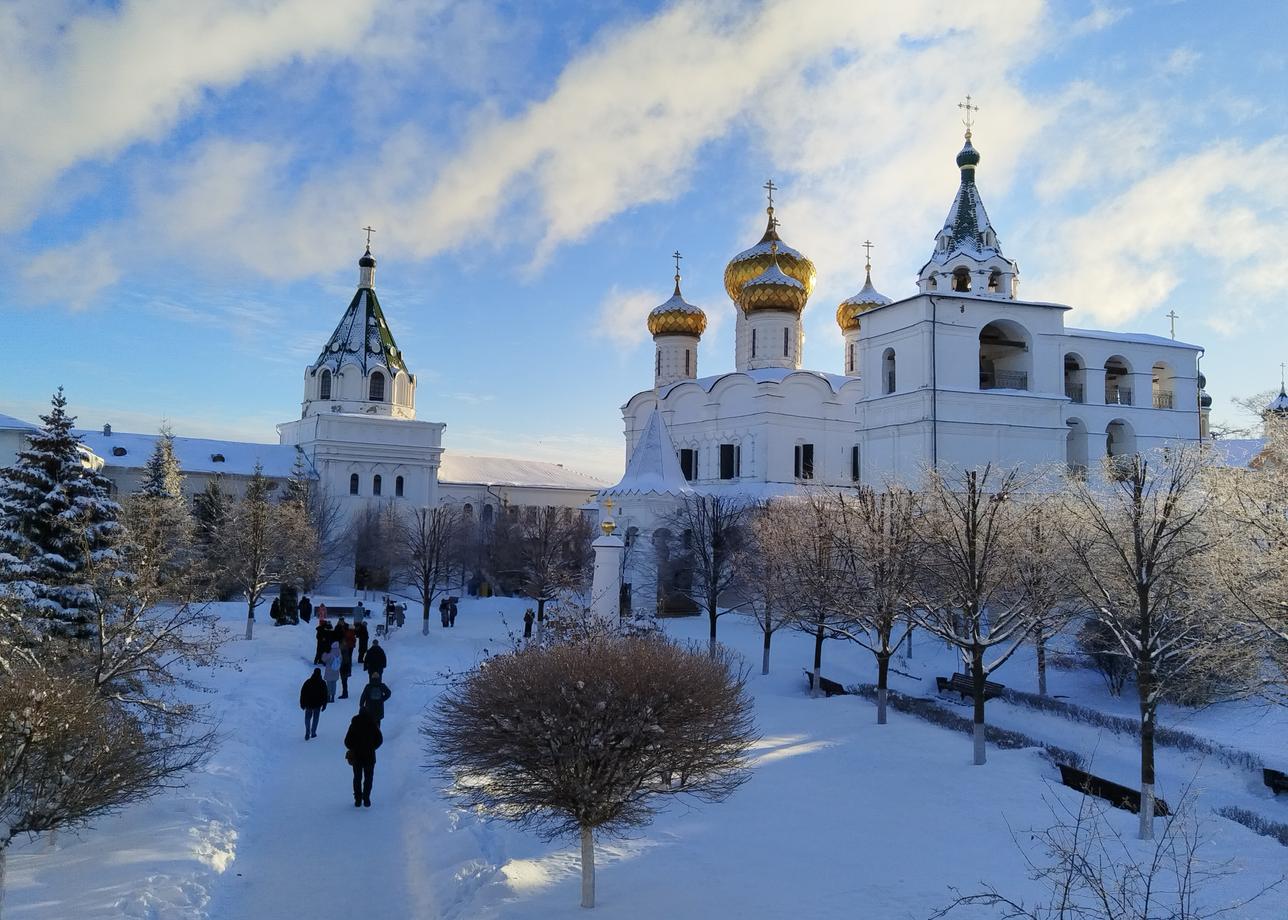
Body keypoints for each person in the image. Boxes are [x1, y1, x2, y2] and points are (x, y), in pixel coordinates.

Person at [344, 708, 382, 808]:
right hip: (369, 756)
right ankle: (366, 798)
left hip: (357, 756)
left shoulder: (354, 724)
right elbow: (379, 740)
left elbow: (347, 741)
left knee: (357, 777)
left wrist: (353, 748)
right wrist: (372, 747)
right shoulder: (373, 724)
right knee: (368, 778)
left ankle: (357, 799)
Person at [299, 667, 327, 739]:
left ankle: (307, 732)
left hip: (308, 703)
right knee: (316, 719)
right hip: (318, 704)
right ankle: (313, 732)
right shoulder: (323, 683)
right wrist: (324, 704)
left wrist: (302, 703)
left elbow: (303, 693)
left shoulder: (308, 682)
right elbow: (325, 695)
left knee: (307, 718)